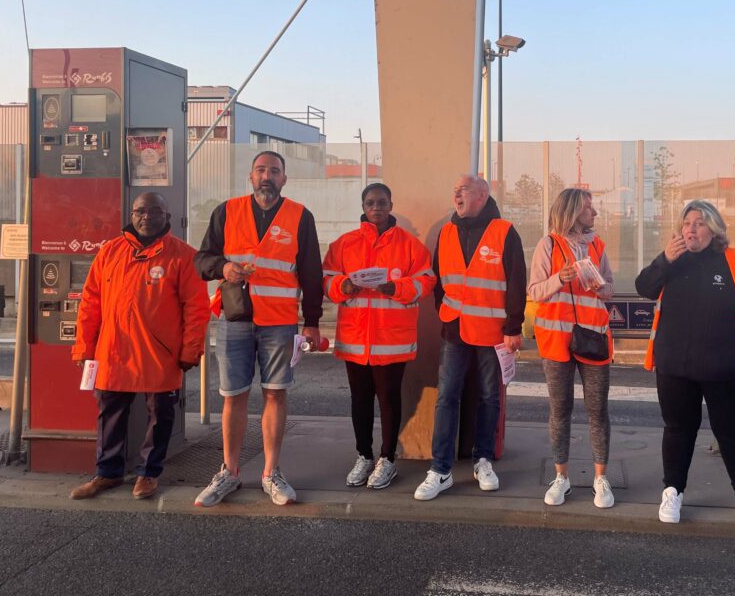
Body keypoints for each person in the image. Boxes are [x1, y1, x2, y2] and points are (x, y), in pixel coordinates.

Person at [193, 150, 324, 507]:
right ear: (251, 177)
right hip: (235, 318)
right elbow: (202, 260)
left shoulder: (300, 216)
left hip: (280, 321)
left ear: (284, 179)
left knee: (275, 394)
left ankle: (270, 473)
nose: (267, 176)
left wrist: (312, 321)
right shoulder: (227, 211)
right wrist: (223, 268)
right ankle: (229, 472)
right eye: (261, 170)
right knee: (233, 395)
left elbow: (312, 272)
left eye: (274, 171)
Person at [636, 199, 735, 527]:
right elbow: (644, 288)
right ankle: (673, 491)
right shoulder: (672, 261)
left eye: (699, 223)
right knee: (677, 430)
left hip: (725, 367)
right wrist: (665, 259)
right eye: (686, 223)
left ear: (714, 229)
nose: (691, 229)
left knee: (734, 432)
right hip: (675, 365)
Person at [70, 192, 210, 501]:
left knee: (160, 416)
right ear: (131, 215)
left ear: (167, 217)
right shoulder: (110, 252)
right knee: (110, 415)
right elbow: (90, 304)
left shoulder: (183, 256)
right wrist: (83, 348)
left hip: (159, 354)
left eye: (154, 211)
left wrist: (191, 350)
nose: (146, 216)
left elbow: (197, 309)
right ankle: (107, 473)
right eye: (140, 211)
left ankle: (149, 473)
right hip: (113, 351)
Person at [414, 175, 526, 500]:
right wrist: (444, 310)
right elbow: (439, 279)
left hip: (493, 333)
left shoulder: (505, 232)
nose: (456, 196)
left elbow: (517, 282)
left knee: (489, 397)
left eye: (462, 190)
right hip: (454, 329)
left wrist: (513, 327)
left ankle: (483, 460)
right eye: (454, 191)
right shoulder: (447, 231)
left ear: (482, 194)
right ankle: (440, 469)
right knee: (447, 397)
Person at [323, 182, 436, 490]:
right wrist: (343, 285)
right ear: (363, 207)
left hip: (392, 340)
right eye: (371, 202)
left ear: (390, 205)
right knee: (360, 400)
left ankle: (387, 459)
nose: (377, 207)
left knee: (388, 399)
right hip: (355, 339)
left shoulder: (409, 244)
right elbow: (327, 279)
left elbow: (427, 280)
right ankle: (364, 455)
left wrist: (396, 288)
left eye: (382, 202)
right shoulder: (344, 244)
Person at [528, 188, 616, 508]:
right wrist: (559, 278)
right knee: (560, 410)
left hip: (593, 339)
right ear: (572, 212)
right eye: (589, 208)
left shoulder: (598, 245)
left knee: (598, 411)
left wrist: (600, 287)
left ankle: (601, 478)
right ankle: (561, 477)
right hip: (557, 342)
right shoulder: (548, 245)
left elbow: (609, 290)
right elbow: (535, 291)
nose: (594, 213)